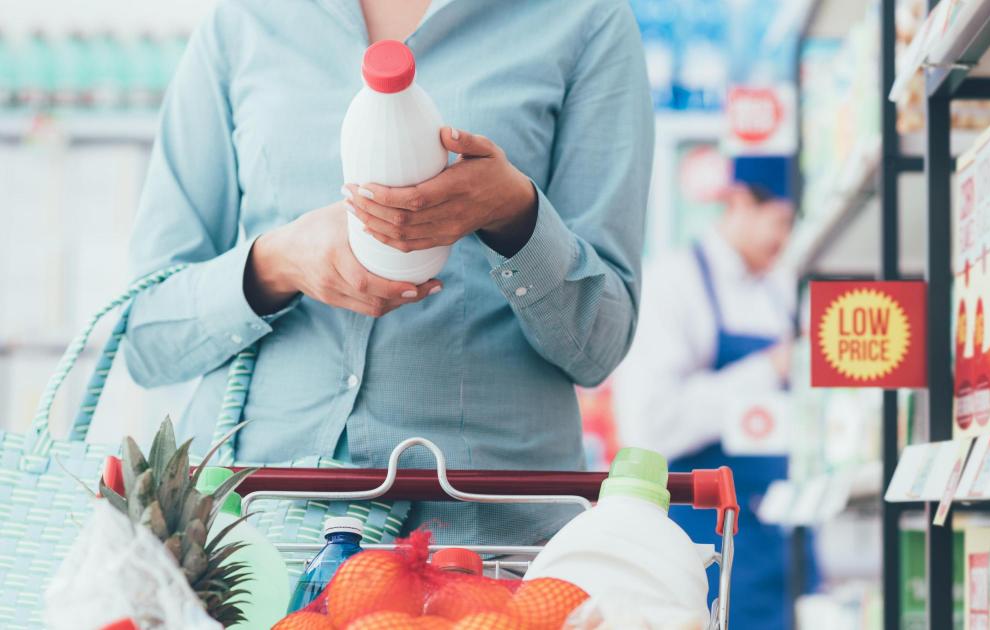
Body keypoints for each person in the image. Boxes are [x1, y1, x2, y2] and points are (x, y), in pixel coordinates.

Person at [123, 0, 652, 547]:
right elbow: (146, 335)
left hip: (483, 544)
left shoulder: (583, 18)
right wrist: (276, 263)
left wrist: (514, 216)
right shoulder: (245, 21)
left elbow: (599, 347)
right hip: (252, 535)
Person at [613, 155, 803, 629]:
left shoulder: (777, 290)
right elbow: (652, 424)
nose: (785, 238)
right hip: (700, 542)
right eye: (779, 220)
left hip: (774, 541)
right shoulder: (674, 283)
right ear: (737, 202)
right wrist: (767, 369)